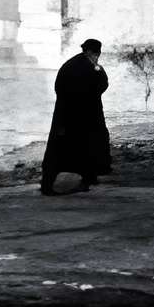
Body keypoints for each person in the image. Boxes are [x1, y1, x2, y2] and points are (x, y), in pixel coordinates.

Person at [41, 38, 112, 194]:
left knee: (60, 149)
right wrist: (98, 69)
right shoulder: (91, 66)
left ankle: (49, 184)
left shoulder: (70, 64)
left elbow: (59, 87)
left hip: (66, 115)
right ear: (92, 52)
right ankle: (87, 179)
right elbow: (102, 84)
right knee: (86, 146)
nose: (97, 57)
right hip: (84, 115)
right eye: (97, 54)